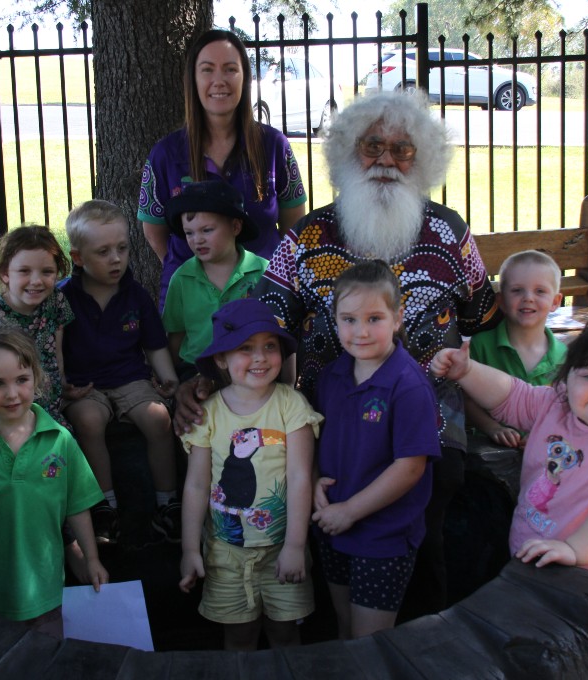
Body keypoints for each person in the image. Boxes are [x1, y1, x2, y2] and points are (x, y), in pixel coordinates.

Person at [176, 90, 499, 619]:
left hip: (428, 419)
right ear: (349, 152)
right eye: (373, 146)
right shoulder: (308, 235)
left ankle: (425, 642)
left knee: (430, 531)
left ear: (424, 160)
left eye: (403, 149)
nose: (387, 161)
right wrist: (204, 377)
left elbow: (481, 315)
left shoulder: (449, 233)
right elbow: (262, 321)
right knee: (327, 526)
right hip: (331, 420)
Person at [430, 322, 588, 611]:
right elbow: (511, 395)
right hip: (529, 564)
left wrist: (573, 550)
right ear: (566, 382)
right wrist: (467, 372)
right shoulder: (556, 405)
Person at [0, 326, 107, 637]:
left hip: (43, 590)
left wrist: (92, 558)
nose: (12, 393)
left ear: (36, 378)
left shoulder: (60, 441)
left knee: (45, 662)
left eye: (21, 380)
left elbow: (77, 506)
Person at [179, 298, 322, 650]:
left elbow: (301, 477)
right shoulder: (209, 413)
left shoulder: (291, 405)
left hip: (281, 550)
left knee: (286, 633)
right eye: (245, 348)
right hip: (225, 552)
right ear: (222, 359)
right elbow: (197, 485)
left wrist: (295, 546)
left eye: (269, 347)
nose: (260, 358)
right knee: (238, 636)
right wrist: (189, 548)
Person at [311, 260, 441, 638]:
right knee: (344, 630)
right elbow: (326, 440)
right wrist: (318, 481)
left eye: (374, 319)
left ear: (398, 317)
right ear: (334, 319)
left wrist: (350, 511)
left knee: (370, 643)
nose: (361, 332)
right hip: (333, 525)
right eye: (349, 319)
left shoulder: (408, 385)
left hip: (382, 535)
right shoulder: (332, 375)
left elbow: (410, 467)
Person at [138, 29, 307, 308]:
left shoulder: (274, 146)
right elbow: (154, 232)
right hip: (191, 309)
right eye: (207, 70)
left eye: (230, 69)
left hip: (262, 302)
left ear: (245, 78)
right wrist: (200, 271)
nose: (219, 81)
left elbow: (293, 226)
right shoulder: (165, 154)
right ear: (193, 79)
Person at [60, 199, 181, 545]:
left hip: (130, 378)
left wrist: (167, 377)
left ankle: (166, 502)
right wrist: (64, 382)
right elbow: (54, 347)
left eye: (122, 248)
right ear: (78, 258)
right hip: (86, 385)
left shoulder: (135, 295)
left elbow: (154, 344)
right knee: (88, 421)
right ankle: (104, 506)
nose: (115, 258)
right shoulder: (64, 299)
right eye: (103, 252)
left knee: (158, 418)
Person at [0, 225, 73, 430]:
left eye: (47, 271)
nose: (37, 281)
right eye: (24, 271)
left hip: (43, 405)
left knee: (63, 447)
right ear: (5, 273)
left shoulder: (55, 300)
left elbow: (58, 350)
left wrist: (63, 384)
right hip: (2, 411)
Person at [162, 179, 269, 378]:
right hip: (195, 369)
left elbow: (280, 329)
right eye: (189, 233)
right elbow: (176, 335)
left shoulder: (262, 272)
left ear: (236, 227)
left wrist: (288, 381)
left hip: (251, 368)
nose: (197, 239)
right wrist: (174, 381)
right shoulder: (182, 278)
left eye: (207, 230)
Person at [467, 250, 566, 448]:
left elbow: (566, 412)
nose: (528, 298)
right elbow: (466, 399)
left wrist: (544, 435)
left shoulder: (566, 356)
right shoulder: (481, 345)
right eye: (517, 290)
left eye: (540, 291)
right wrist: (493, 428)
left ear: (555, 301)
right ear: (501, 300)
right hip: (488, 452)